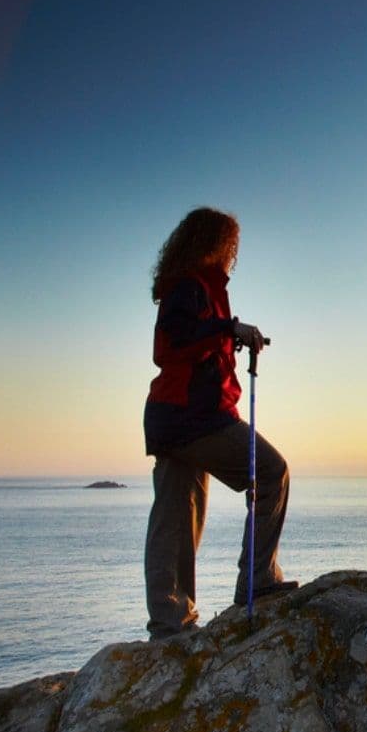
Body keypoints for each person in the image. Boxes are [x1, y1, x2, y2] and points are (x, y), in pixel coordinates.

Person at [143, 207, 296, 639]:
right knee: (270, 473)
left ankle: (171, 624)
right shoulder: (190, 287)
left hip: (174, 418)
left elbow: (196, 341)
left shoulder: (193, 286)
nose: (234, 254)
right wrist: (229, 329)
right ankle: (258, 579)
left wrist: (228, 332)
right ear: (213, 243)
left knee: (177, 516)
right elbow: (174, 342)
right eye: (231, 245)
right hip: (192, 417)